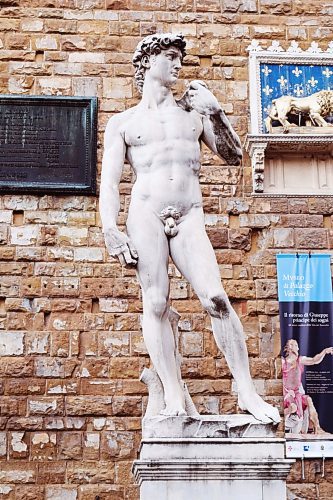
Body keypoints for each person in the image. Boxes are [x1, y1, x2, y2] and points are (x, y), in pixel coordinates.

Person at [99, 33, 280, 423]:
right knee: (157, 302)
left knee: (216, 297)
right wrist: (110, 231)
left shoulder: (193, 114)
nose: (179, 64)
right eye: (170, 56)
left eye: (179, 57)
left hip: (188, 215)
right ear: (148, 61)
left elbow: (234, 158)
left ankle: (246, 392)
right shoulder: (124, 123)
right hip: (145, 214)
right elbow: (110, 183)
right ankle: (173, 396)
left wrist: (217, 113)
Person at [282, 339, 333, 434]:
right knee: (293, 407)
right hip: (287, 394)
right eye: (296, 345)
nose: (298, 348)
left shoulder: (300, 360)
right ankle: (284, 423)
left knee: (309, 400)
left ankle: (317, 427)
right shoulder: (283, 362)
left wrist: (325, 351)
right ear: (290, 347)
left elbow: (314, 360)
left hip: (297, 394)